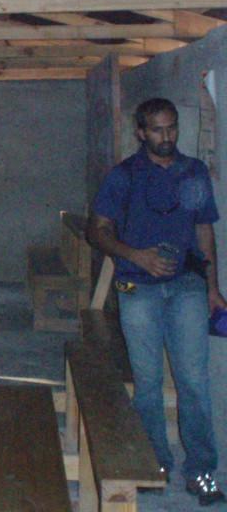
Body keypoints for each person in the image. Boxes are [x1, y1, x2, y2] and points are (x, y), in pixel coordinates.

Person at [88, 97, 227, 506]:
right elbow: (98, 230)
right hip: (138, 287)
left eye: (172, 127)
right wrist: (136, 256)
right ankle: (156, 463)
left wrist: (213, 287)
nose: (167, 136)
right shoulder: (124, 176)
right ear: (141, 132)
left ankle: (201, 471)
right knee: (147, 383)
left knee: (194, 382)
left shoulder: (193, 171)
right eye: (158, 129)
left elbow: (204, 231)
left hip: (187, 286)